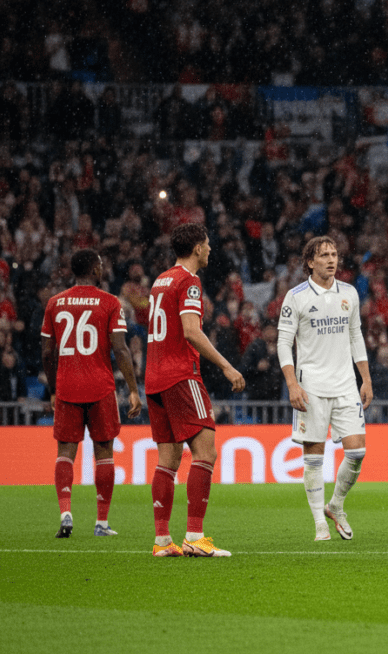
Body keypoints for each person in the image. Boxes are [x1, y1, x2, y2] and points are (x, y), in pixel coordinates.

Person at [145, 223, 245, 557]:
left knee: (168, 459)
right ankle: (194, 537)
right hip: (180, 375)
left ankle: (162, 541)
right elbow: (191, 331)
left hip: (155, 377)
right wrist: (226, 365)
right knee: (206, 453)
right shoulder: (189, 282)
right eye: (207, 244)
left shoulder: (161, 280)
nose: (211, 250)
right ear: (198, 249)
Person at [41, 249, 142, 538]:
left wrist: (53, 387)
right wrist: (134, 390)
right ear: (95, 270)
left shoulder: (55, 303)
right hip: (100, 387)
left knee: (65, 453)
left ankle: (66, 513)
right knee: (104, 454)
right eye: (101, 265)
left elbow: (48, 353)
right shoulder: (110, 302)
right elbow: (121, 348)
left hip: (68, 387)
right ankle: (101, 522)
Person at [277, 236, 372, 542]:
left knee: (357, 451)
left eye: (334, 254)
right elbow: (283, 343)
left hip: (345, 384)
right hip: (312, 386)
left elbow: (356, 336)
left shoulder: (349, 293)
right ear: (310, 262)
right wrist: (292, 383)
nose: (332, 260)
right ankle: (319, 522)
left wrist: (366, 378)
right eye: (324, 256)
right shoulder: (296, 296)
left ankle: (336, 505)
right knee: (314, 458)